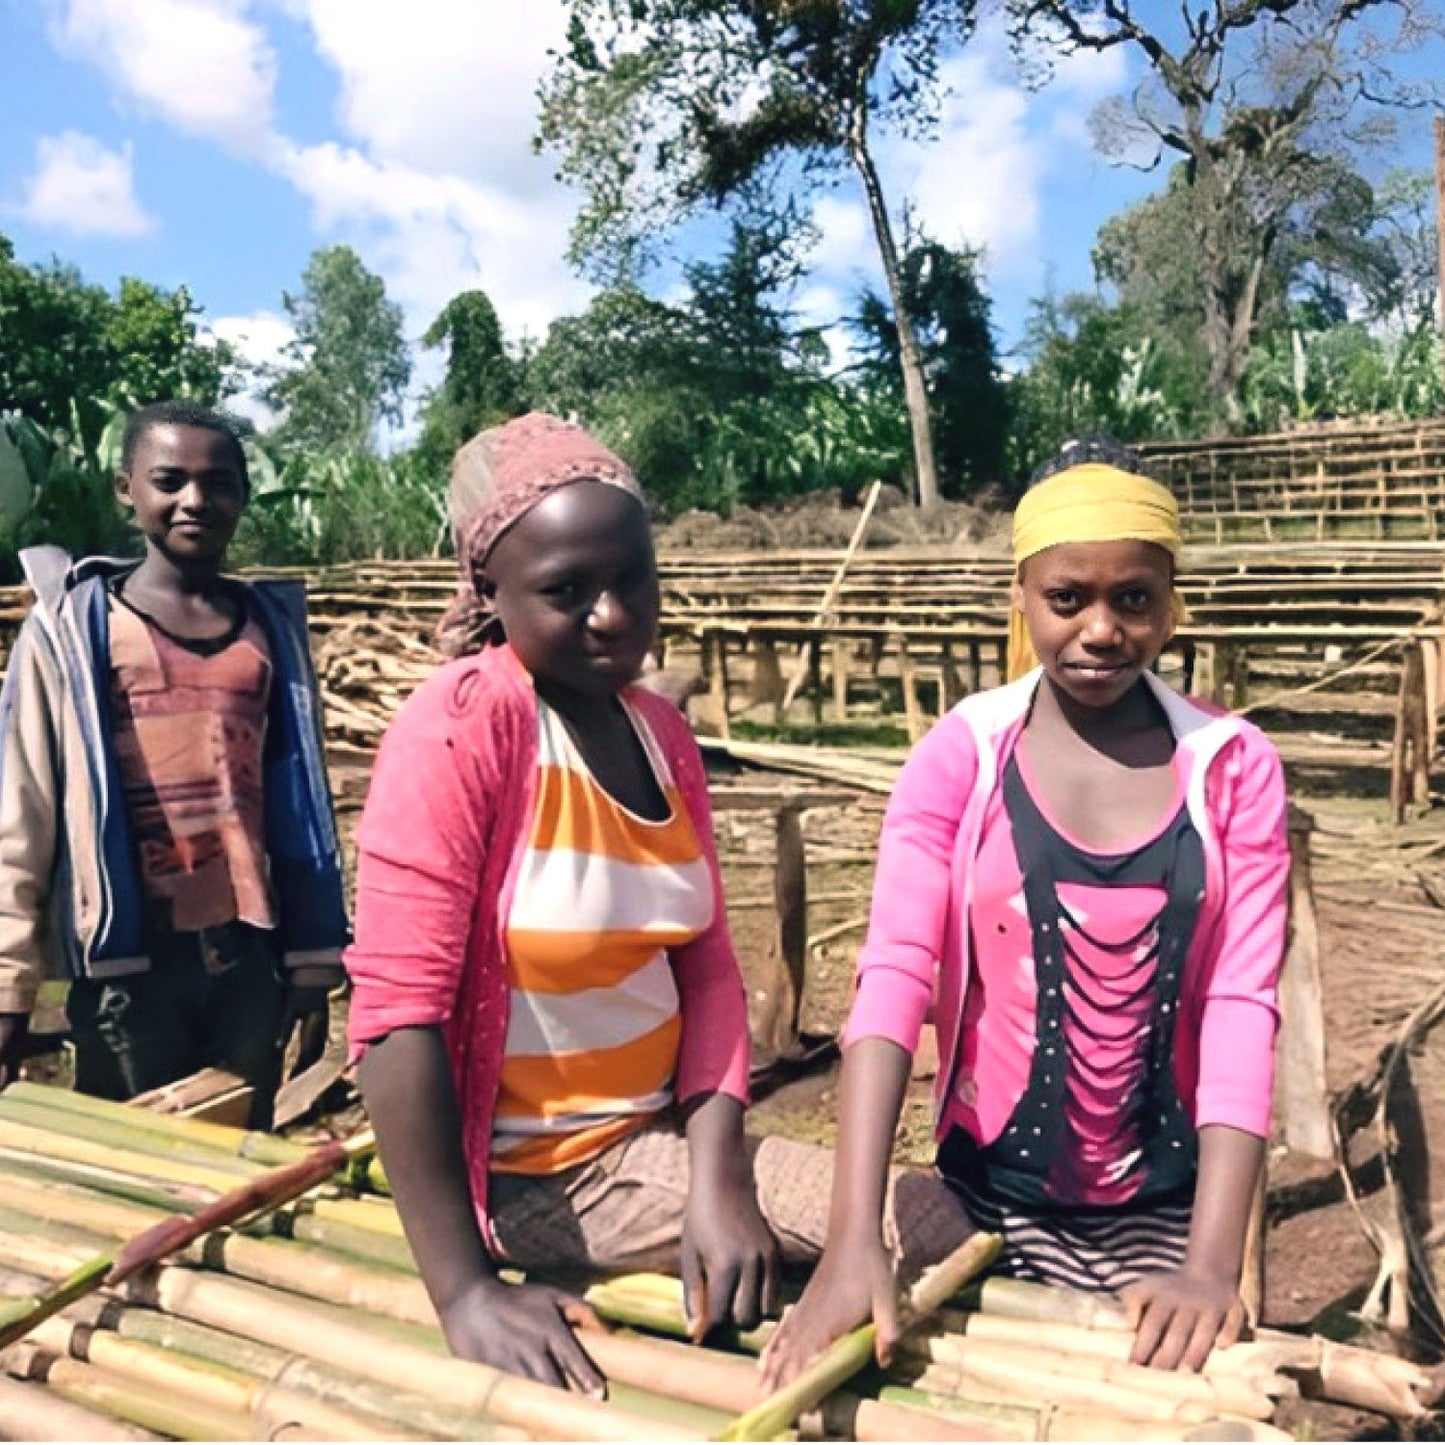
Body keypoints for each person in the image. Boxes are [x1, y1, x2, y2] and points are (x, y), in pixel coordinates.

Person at [344, 412, 971, 1396]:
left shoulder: (657, 730)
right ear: (490, 592)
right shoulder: (461, 729)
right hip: (537, 1173)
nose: (610, 614)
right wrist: (463, 1288)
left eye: (632, 577)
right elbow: (395, 1019)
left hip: (660, 1144)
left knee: (915, 1229)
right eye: (564, 591)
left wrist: (718, 1181)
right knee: (937, 1227)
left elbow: (706, 965)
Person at [762, 437, 1289, 1387]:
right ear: (1020, 594)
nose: (1099, 629)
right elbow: (891, 982)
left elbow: (1241, 1007)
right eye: (1067, 598)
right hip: (974, 1199)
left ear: (1170, 602)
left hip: (1162, 1221)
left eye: (1132, 599)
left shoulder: (1232, 767)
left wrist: (1210, 1263)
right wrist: (852, 1240)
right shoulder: (962, 756)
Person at [0, 401, 348, 1126]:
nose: (195, 499)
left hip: (249, 958)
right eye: (169, 479)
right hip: (129, 964)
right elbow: (21, 811)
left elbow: (298, 799)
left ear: (243, 495)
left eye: (218, 481)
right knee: (136, 1173)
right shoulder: (74, 630)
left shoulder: (269, 634)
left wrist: (312, 965)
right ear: (126, 489)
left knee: (233, 1153)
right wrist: (9, 983)